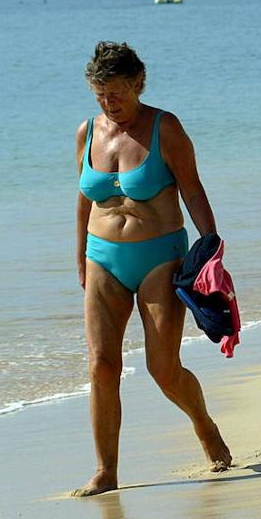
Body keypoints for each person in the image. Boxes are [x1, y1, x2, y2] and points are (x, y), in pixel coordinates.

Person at [74, 42, 231, 496]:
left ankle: (204, 425)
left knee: (163, 368)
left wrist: (211, 249)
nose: (110, 103)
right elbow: (84, 197)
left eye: (118, 92)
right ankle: (106, 470)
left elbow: (193, 190)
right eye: (101, 93)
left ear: (138, 84)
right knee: (101, 365)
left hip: (160, 256)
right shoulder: (87, 132)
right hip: (103, 257)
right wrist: (80, 255)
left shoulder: (166, 128)